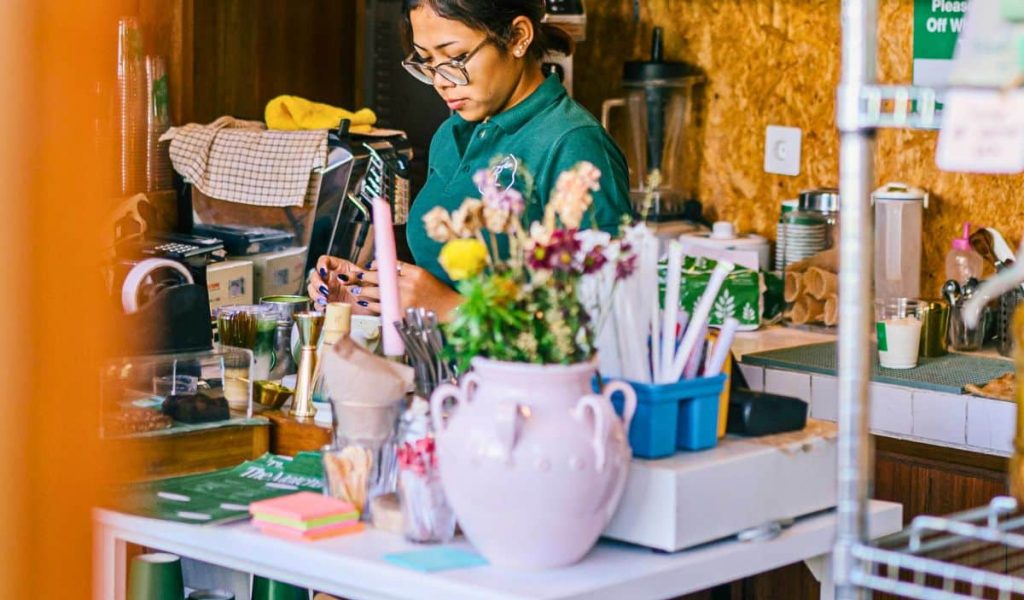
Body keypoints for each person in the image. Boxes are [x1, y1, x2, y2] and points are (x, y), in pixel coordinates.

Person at [308, 0, 631, 318]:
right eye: (426, 61)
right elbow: (436, 287)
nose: (441, 81)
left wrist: (449, 307)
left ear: (518, 37)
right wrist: (368, 292)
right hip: (437, 366)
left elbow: (602, 317)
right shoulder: (450, 135)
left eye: (457, 57)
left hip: (513, 372)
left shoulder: (573, 144)